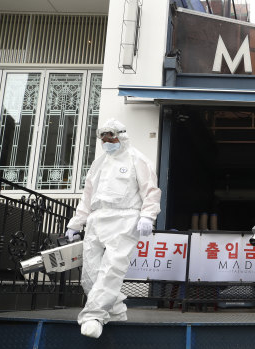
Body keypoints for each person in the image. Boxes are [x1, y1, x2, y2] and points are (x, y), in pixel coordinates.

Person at [65, 119, 161, 338]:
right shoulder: (99, 164)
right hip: (97, 220)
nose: (107, 142)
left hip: (125, 218)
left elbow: (151, 191)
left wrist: (147, 215)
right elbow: (87, 197)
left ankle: (93, 316)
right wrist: (75, 223)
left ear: (122, 137)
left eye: (112, 137)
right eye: (104, 138)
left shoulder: (137, 159)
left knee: (111, 269)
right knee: (89, 274)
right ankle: (116, 311)